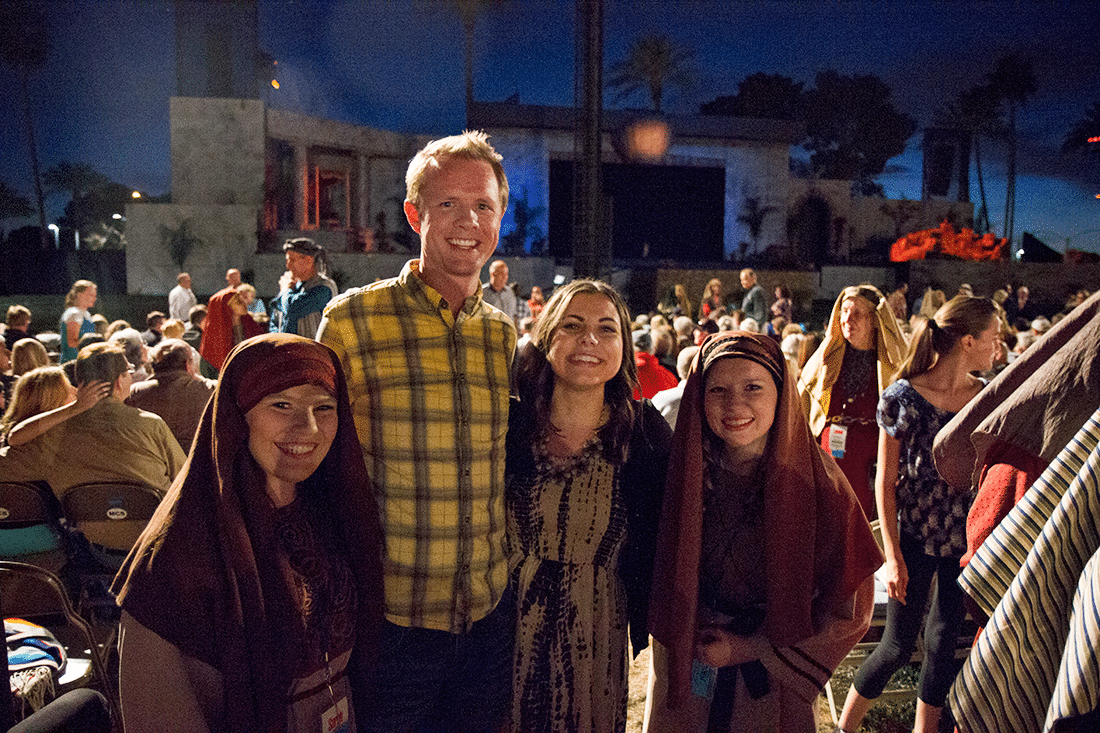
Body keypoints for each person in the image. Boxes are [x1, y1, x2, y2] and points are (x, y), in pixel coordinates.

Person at [317, 130, 516, 733]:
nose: (468, 222)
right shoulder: (352, 321)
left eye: (483, 206)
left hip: (487, 620)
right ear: (415, 213)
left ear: (500, 217)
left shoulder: (500, 336)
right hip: (393, 628)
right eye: (448, 205)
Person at [112, 334, 384, 732]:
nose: (307, 427)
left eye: (324, 407)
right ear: (238, 414)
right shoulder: (180, 551)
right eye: (281, 404)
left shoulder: (332, 511)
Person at [645, 332, 882, 732]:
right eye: (718, 389)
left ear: (781, 392)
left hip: (771, 678)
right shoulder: (680, 477)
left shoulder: (822, 486)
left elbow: (851, 608)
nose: (735, 404)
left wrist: (751, 648)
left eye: (753, 387)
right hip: (690, 660)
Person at [507, 280, 672, 732]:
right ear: (545, 338)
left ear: (623, 344)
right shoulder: (508, 425)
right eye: (573, 325)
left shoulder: (645, 435)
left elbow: (682, 522)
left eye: (606, 328)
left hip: (597, 628)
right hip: (502, 628)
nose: (590, 341)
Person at [837, 296, 999, 733]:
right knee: (896, 645)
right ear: (967, 341)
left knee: (943, 643)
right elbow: (883, 482)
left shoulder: (984, 398)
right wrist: (892, 556)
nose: (997, 347)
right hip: (912, 535)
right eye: (992, 337)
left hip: (962, 539)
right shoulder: (902, 397)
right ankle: (842, 729)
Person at [0, 342, 185, 498]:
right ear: (120, 380)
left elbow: (11, 448)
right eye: (128, 371)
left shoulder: (54, 434)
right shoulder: (151, 425)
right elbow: (186, 476)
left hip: (90, 534)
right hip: (150, 530)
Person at [797, 286, 908, 518]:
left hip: (871, 463)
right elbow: (802, 406)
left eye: (857, 313)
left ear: (876, 320)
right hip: (830, 458)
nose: (848, 319)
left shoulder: (894, 364)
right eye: (844, 311)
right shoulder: (825, 359)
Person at [125, 339, 217, 452]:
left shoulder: (136, 392)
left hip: (155, 462)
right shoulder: (209, 389)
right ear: (187, 364)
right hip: (195, 463)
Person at [270, 238, 338, 337]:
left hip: (313, 350)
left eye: (292, 260)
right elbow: (275, 317)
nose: (288, 266)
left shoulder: (324, 287)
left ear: (308, 261)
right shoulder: (293, 286)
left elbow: (293, 308)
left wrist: (285, 290)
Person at [200, 288, 265, 373]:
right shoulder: (216, 333)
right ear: (226, 307)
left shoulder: (250, 323)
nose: (245, 304)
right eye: (239, 302)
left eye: (243, 300)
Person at [59, 280, 98, 362]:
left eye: (95, 295)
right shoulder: (74, 313)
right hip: (72, 362)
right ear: (80, 295)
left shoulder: (86, 314)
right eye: (91, 295)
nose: (94, 298)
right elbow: (72, 342)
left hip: (84, 361)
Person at [482, 259, 521, 325]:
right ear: (493, 274)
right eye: (502, 274)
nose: (505, 277)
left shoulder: (510, 292)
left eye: (506, 274)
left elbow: (514, 315)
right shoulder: (482, 292)